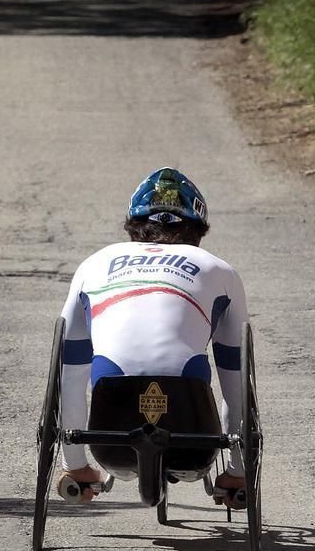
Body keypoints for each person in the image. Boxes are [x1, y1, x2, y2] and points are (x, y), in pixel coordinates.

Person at [56, 167, 248, 506]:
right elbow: (236, 379)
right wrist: (237, 470)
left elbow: (70, 375)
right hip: (194, 438)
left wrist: (76, 466)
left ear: (132, 229)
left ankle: (75, 469)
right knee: (230, 366)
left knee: (78, 366)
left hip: (109, 439)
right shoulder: (219, 269)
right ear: (199, 231)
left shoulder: (94, 264)